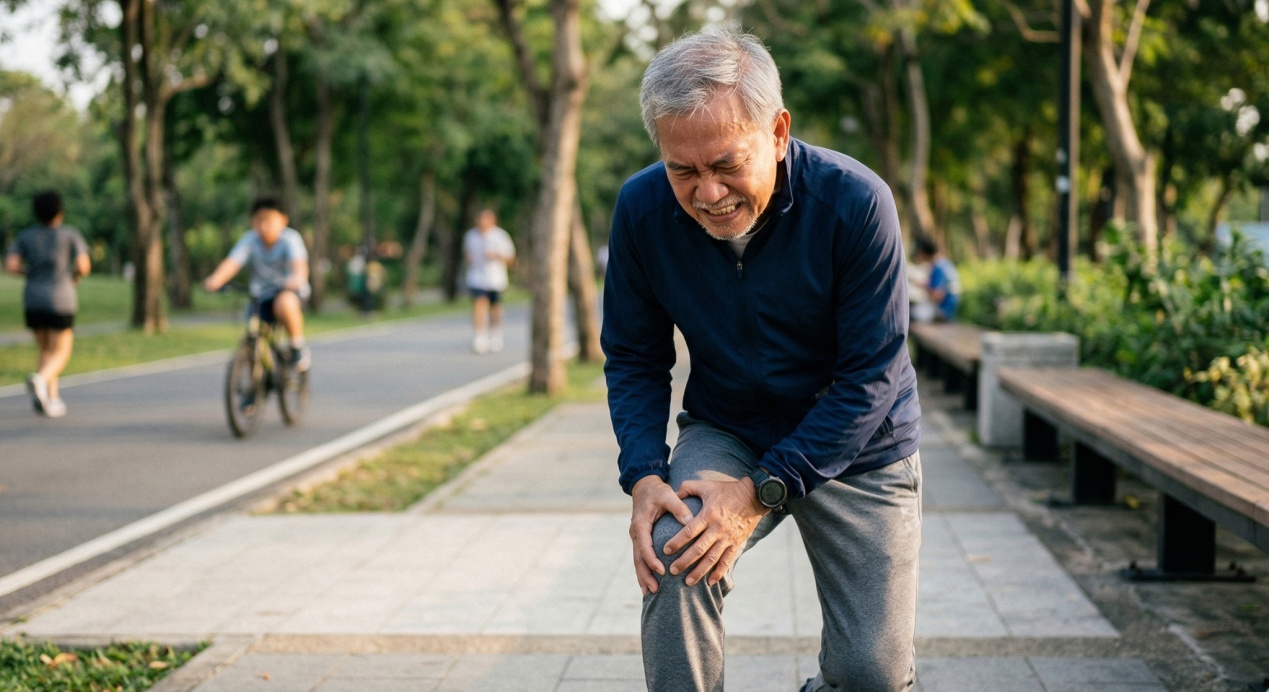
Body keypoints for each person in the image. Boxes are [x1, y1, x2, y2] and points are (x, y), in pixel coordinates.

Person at [601, 29, 922, 692]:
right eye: (682, 171)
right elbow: (634, 355)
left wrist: (757, 493)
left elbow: (870, 378)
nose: (707, 193)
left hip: (861, 444)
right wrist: (642, 476)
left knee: (871, 675)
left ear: (777, 132)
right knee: (673, 548)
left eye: (724, 164)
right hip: (731, 428)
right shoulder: (640, 209)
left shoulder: (856, 204)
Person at [5, 190, 91, 418]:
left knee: (45, 350)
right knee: (62, 351)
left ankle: (50, 399)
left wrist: (29, 272)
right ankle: (41, 380)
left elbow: (11, 265)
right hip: (61, 298)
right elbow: (83, 266)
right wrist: (72, 274)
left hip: (33, 298)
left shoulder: (26, 236)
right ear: (60, 212)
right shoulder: (70, 234)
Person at [203, 197, 311, 370]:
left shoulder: (290, 239)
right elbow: (232, 263)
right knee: (255, 333)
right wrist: (215, 280)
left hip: (288, 292)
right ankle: (257, 383)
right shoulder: (250, 240)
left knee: (283, 303)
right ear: (253, 221)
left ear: (283, 220)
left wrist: (297, 279)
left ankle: (297, 346)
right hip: (260, 295)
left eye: (269, 220)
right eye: (259, 220)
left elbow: (300, 267)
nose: (264, 226)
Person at [463, 209, 516, 354]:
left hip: (496, 279)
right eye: (480, 219)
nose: (482, 222)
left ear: (493, 221)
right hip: (477, 277)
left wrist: (497, 255)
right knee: (479, 304)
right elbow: (468, 254)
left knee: (495, 307)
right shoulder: (470, 236)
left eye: (485, 220)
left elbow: (511, 258)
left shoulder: (500, 236)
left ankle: (496, 335)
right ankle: (480, 338)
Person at [913, 236, 961, 321]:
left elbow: (937, 296)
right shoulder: (944, 263)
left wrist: (925, 288)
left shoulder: (937, 268)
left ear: (923, 253)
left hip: (942, 312)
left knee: (910, 314)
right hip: (950, 310)